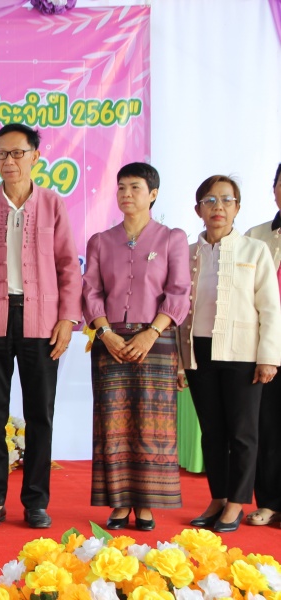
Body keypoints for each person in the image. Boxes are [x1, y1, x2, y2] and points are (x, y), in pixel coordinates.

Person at [0, 123, 82, 529]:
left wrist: (67, 318)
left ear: (35, 156)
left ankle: (36, 502)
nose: (9, 161)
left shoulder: (52, 204)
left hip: (42, 323)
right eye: (2, 154)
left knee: (40, 416)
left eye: (17, 153)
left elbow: (68, 266)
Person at [81, 162, 190, 531]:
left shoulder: (172, 238)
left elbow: (179, 292)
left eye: (135, 188)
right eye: (121, 187)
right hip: (109, 340)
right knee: (112, 425)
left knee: (153, 425)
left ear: (153, 194)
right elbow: (91, 292)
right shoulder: (100, 241)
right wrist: (106, 333)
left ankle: (145, 504)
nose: (126, 194)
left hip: (155, 341)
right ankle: (118, 502)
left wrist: (151, 333)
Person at [180, 175, 281, 533]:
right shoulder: (188, 253)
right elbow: (179, 309)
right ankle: (218, 498)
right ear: (198, 210)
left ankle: (236, 504)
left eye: (226, 200)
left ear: (237, 208)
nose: (218, 207)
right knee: (212, 431)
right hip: (200, 351)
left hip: (242, 353)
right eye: (209, 200)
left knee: (242, 433)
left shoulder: (255, 250)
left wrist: (268, 357)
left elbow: (270, 308)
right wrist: (180, 360)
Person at [243, 163, 281, 527]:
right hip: (267, 346)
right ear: (274, 190)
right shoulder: (255, 237)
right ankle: (270, 502)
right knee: (269, 427)